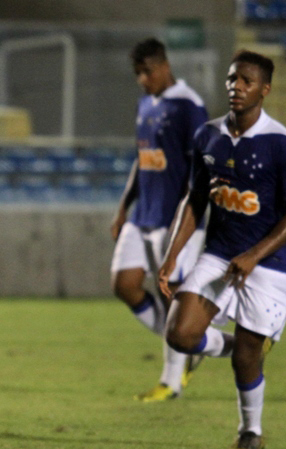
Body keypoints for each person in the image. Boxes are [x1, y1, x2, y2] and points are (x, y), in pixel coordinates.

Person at [158, 50, 286, 449]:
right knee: (179, 333)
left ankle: (251, 431)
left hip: (271, 265)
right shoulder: (207, 135)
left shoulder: (282, 144)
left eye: (245, 81)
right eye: (231, 79)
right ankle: (225, 344)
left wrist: (255, 255)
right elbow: (194, 200)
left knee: (247, 360)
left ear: (265, 89)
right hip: (219, 254)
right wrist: (173, 253)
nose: (236, 87)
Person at [110, 38, 213, 402]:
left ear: (164, 66)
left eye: (146, 71)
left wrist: (186, 218)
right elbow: (143, 158)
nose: (142, 79)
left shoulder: (189, 107)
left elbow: (200, 170)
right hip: (143, 215)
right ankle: (192, 342)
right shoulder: (145, 104)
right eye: (137, 73)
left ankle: (171, 381)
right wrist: (124, 206)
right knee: (124, 283)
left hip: (174, 217)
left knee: (170, 295)